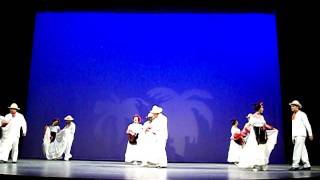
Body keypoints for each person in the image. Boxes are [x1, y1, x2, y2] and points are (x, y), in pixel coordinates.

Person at [237, 102, 278, 171]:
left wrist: (272, 128)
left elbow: (265, 125)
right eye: (262, 107)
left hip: (262, 135)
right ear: (258, 108)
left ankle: (261, 164)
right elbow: (248, 125)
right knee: (255, 149)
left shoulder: (262, 117)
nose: (263, 108)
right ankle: (256, 164)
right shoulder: (252, 116)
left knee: (262, 149)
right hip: (255, 135)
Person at [289, 100, 313, 171]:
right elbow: (294, 127)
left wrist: (310, 134)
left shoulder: (302, 114)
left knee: (297, 150)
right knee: (302, 150)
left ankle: (295, 165)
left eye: (293, 106)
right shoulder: (293, 115)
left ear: (297, 107)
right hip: (296, 135)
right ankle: (307, 164)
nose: (291, 107)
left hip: (301, 134)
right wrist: (293, 137)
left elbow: (307, 124)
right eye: (291, 106)